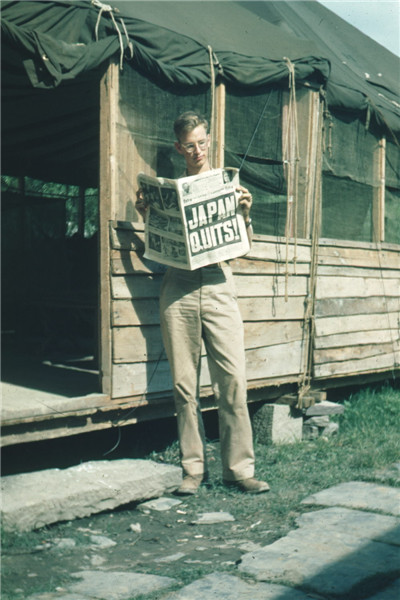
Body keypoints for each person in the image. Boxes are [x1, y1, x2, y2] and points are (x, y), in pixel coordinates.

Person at [136, 111, 269, 495]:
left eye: (202, 142)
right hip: (177, 287)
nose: (197, 151)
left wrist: (245, 214)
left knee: (232, 380)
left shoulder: (228, 185)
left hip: (217, 284)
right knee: (184, 385)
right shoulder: (173, 190)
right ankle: (192, 471)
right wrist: (148, 216)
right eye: (189, 145)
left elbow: (243, 248)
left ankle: (239, 470)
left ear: (210, 140)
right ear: (179, 148)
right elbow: (155, 251)